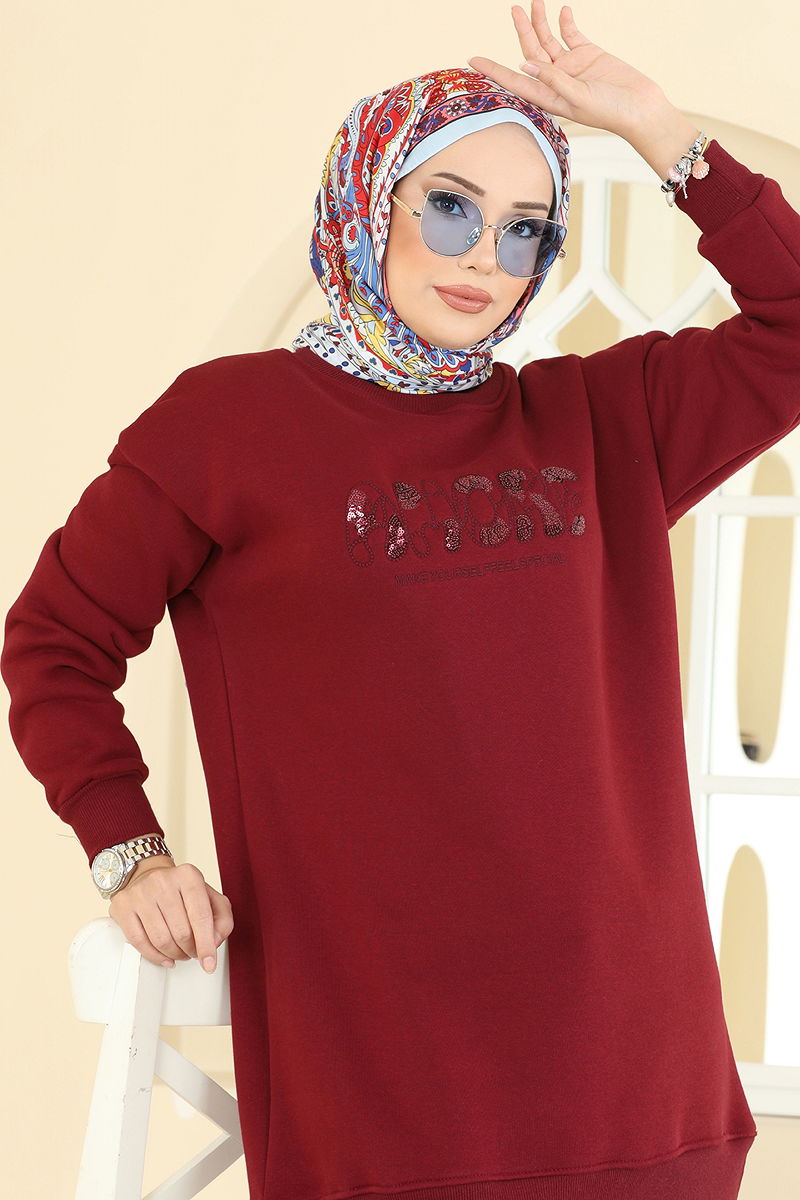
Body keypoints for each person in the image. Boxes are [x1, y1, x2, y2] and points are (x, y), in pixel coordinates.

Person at [3, 4, 799, 1198]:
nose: (484, 259)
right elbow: (54, 639)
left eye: (525, 230)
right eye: (450, 209)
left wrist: (659, 133)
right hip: (385, 1110)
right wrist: (130, 849)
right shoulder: (228, 426)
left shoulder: (601, 422)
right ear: (366, 202)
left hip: (640, 1089)